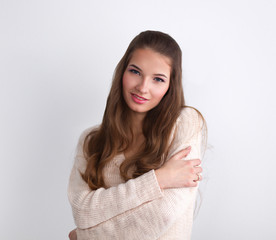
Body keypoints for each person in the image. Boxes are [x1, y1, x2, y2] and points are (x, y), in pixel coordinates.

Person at [67, 30, 206, 240]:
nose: (142, 88)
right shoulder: (91, 141)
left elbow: (162, 214)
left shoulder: (185, 123)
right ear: (122, 72)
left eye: (158, 79)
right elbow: (82, 211)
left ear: (170, 86)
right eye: (135, 72)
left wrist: (85, 236)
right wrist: (159, 179)